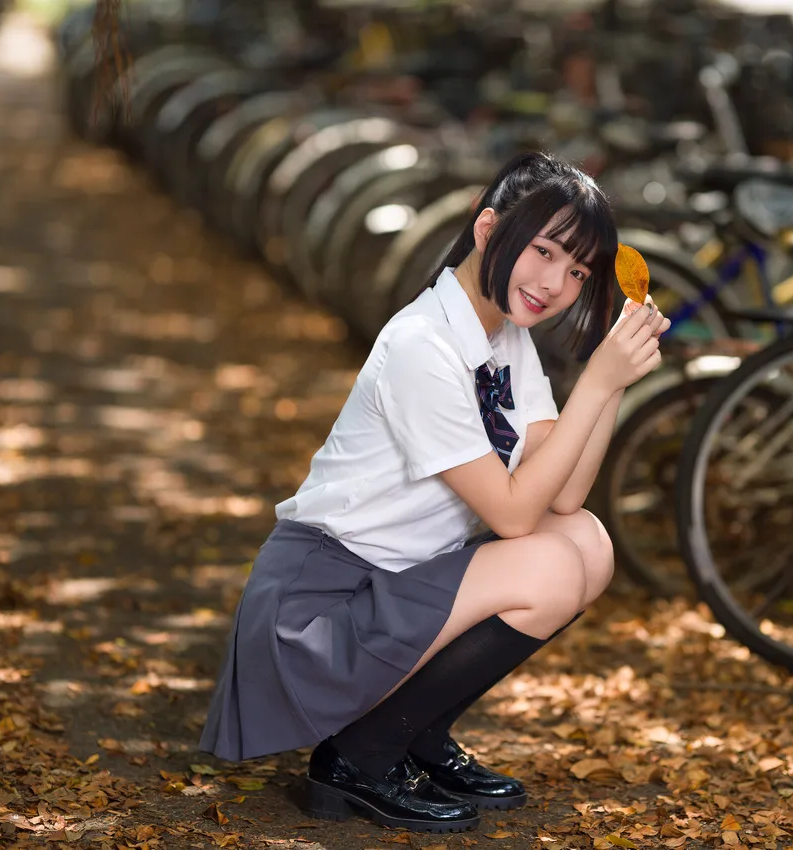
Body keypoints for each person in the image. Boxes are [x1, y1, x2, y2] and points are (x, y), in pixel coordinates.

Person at [198, 151, 669, 833]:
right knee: (548, 562)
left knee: (587, 543)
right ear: (487, 231)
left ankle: (412, 733)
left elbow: (564, 496)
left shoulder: (505, 334)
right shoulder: (422, 344)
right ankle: (360, 757)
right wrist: (593, 383)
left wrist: (614, 384)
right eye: (544, 251)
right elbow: (512, 516)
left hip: (394, 581)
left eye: (577, 271)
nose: (555, 283)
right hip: (318, 612)